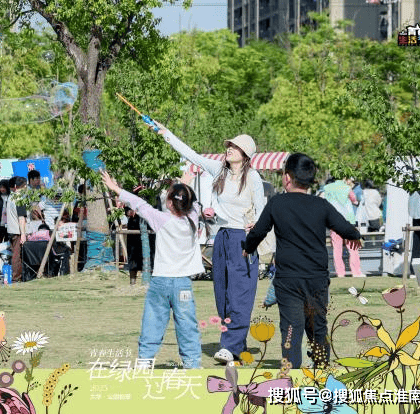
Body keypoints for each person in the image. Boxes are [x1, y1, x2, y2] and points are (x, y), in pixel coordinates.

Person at [153, 121, 266, 364]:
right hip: (222, 237)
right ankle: (236, 345)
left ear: (245, 154)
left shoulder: (253, 177)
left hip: (243, 239)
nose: (229, 149)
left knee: (240, 294)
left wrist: (256, 226)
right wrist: (166, 134)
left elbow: (261, 209)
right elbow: (191, 154)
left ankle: (229, 346)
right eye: (229, 146)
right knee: (222, 294)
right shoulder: (219, 170)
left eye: (235, 147)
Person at [242, 153, 361, 369]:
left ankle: (292, 375)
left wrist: (247, 248)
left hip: (288, 280)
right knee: (318, 328)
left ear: (287, 177)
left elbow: (258, 232)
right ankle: (322, 371)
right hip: (316, 279)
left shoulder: (277, 203)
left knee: (291, 328)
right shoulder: (321, 205)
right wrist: (355, 236)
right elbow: (345, 227)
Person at [101, 170, 203, 369]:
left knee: (153, 321)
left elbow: (139, 204)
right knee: (187, 324)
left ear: (169, 203)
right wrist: (186, 184)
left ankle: (145, 360)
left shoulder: (162, 219)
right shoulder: (193, 218)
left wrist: (115, 188)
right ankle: (192, 363)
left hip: (161, 281)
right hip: (183, 283)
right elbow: (194, 204)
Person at [323, 177, 364, 277]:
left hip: (334, 222)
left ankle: (340, 273)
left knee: (337, 249)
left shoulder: (327, 188)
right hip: (348, 221)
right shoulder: (347, 188)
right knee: (353, 248)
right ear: (344, 178)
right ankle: (356, 272)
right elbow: (354, 200)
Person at [6, 176, 28, 283]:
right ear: (16, 186)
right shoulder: (20, 199)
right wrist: (23, 234)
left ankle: (16, 277)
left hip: (11, 230)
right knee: (17, 255)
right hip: (17, 231)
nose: (25, 188)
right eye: (24, 186)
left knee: (15, 254)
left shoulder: (10, 197)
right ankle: (16, 278)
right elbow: (21, 218)